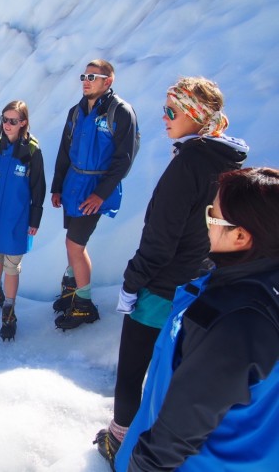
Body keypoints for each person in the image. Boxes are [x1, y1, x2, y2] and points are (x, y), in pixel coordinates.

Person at [94, 77, 249, 468]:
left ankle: (120, 442)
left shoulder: (189, 165)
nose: (163, 119)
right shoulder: (226, 161)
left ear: (195, 115)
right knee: (170, 372)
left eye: (171, 111)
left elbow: (161, 237)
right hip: (198, 283)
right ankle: (158, 439)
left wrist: (132, 284)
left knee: (132, 371)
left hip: (162, 288)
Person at [113, 167, 279, 471]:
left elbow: (179, 430)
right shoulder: (263, 290)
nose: (205, 223)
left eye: (211, 216)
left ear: (241, 236)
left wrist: (140, 465)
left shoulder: (231, 321)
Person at [51, 59, 139, 330]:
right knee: (71, 241)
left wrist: (101, 194)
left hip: (94, 191)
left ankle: (84, 304)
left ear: (108, 81)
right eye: (84, 76)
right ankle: (73, 287)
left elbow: (124, 159)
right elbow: (65, 151)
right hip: (73, 186)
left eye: (93, 76)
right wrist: (56, 186)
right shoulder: (76, 112)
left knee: (75, 245)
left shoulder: (120, 112)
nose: (86, 80)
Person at [0, 100, 46, 341]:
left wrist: (35, 218)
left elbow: (38, 188)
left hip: (17, 216)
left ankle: (10, 308)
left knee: (12, 264)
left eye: (13, 121)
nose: (7, 125)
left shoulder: (32, 152)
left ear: (23, 122)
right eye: (4, 119)